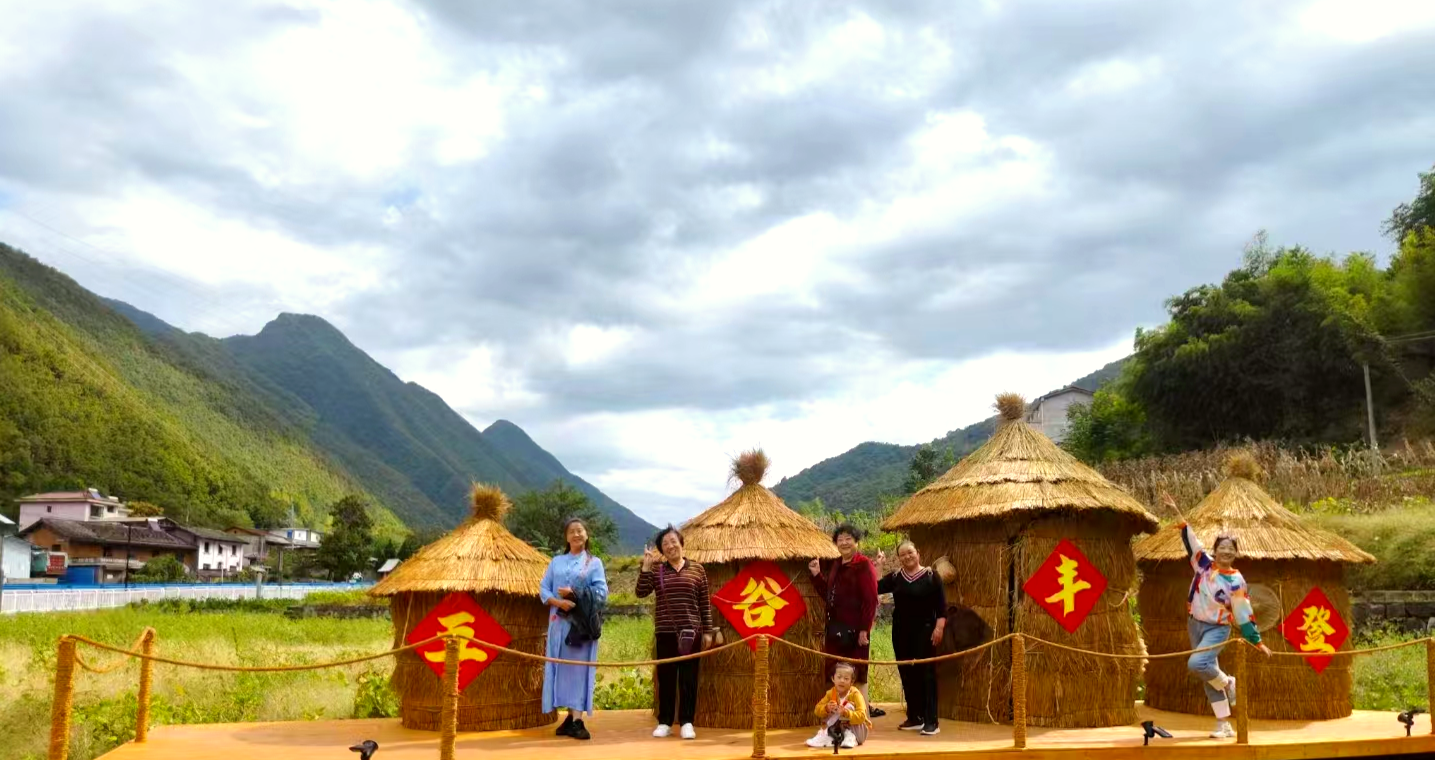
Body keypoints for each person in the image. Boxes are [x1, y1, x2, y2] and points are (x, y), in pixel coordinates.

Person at [1162, 492, 1273, 740]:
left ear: (1235, 553)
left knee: (1197, 664)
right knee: (1207, 674)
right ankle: (1223, 724)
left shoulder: (1236, 581)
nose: (1226, 552)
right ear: (1215, 550)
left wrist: (1257, 642)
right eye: (1222, 548)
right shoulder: (1203, 564)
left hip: (1217, 628)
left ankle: (1229, 682)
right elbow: (1190, 539)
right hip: (1195, 625)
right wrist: (1175, 511)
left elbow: (1243, 612)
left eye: (1230, 549)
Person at [635, 524, 714, 740]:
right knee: (666, 678)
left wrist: (707, 631)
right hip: (665, 633)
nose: (670, 546)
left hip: (692, 633)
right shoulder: (657, 570)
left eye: (673, 541)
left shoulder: (697, 569)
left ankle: (687, 722)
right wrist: (645, 568)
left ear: (681, 542)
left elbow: (704, 603)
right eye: (665, 544)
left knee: (689, 679)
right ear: (661, 550)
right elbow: (641, 592)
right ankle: (665, 722)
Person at [540, 517, 609, 740]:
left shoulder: (594, 563)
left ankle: (578, 720)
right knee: (561, 669)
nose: (576, 534)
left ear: (587, 535)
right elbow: (544, 588)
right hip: (558, 624)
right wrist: (558, 602)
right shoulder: (556, 562)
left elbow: (602, 593)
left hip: (580, 627)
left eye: (580, 530)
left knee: (578, 671)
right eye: (572, 531)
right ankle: (569, 717)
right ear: (566, 537)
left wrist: (575, 594)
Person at [809, 524, 882, 718]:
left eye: (848, 538)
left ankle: (860, 720)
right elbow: (829, 596)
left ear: (856, 541)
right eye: (840, 539)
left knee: (857, 673)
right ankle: (836, 721)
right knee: (836, 674)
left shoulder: (864, 565)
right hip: (835, 630)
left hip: (856, 631)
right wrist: (816, 575)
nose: (844, 543)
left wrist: (864, 629)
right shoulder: (836, 565)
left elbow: (871, 599)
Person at [877, 540, 946, 736]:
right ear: (899, 558)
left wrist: (939, 628)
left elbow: (941, 607)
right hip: (901, 631)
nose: (907, 556)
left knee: (927, 674)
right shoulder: (896, 577)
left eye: (910, 552)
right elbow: (876, 587)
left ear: (918, 553)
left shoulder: (932, 576)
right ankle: (915, 716)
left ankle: (931, 721)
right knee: (906, 672)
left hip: (925, 630)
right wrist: (879, 566)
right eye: (903, 554)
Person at [805, 661, 872, 749]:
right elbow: (817, 710)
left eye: (846, 678)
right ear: (833, 678)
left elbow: (862, 716)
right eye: (839, 677)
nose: (842, 681)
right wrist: (827, 708)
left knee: (848, 706)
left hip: (858, 732)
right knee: (832, 707)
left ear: (851, 682)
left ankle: (850, 737)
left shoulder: (855, 694)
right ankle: (828, 736)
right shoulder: (831, 693)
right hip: (838, 731)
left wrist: (846, 712)